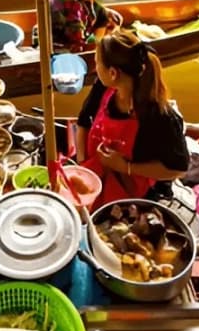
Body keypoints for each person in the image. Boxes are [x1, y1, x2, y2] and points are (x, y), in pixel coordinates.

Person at [74, 29, 190, 207]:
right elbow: (83, 122)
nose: (94, 68)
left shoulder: (160, 117)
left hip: (129, 193)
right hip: (91, 173)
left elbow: (177, 169)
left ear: (113, 73)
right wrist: (82, 166)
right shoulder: (103, 87)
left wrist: (124, 166)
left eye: (97, 63)